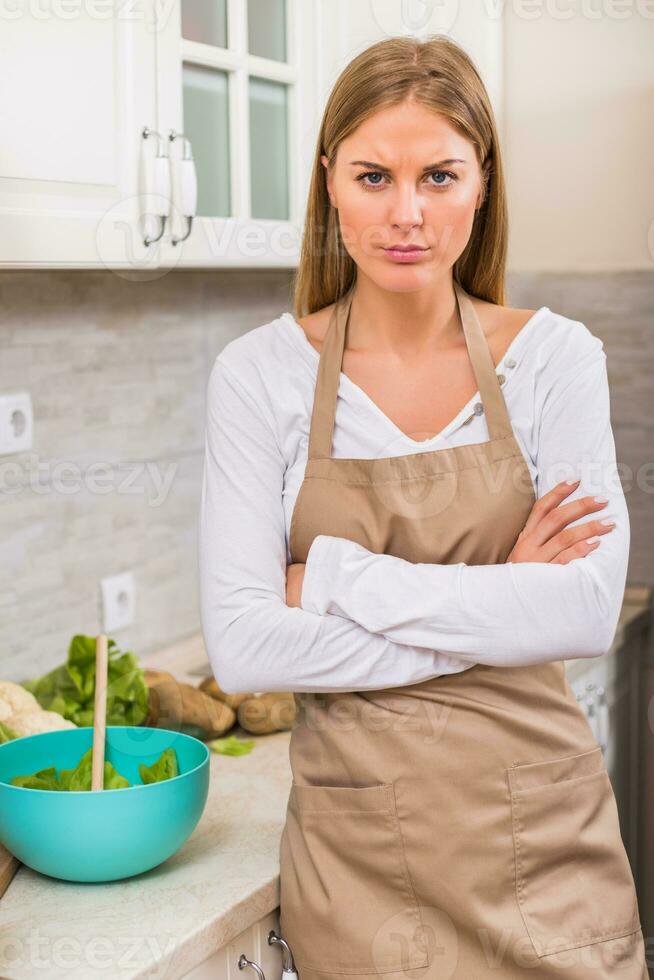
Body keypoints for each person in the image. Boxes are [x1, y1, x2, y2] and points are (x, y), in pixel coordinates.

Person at [199, 34, 646, 979]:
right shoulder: (259, 377)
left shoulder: (554, 359)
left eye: (439, 176)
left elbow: (583, 611)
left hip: (545, 851)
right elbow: (243, 649)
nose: (407, 213)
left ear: (483, 183)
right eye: (374, 176)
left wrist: (330, 576)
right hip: (359, 868)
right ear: (329, 182)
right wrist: (504, 599)